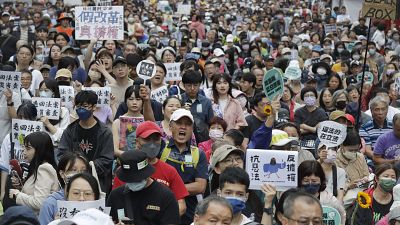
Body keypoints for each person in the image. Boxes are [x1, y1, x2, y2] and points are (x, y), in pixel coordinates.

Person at [112, 121, 189, 216]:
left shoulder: (169, 171)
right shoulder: (125, 171)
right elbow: (116, 203)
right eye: (147, 139)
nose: (152, 144)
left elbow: (181, 205)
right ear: (137, 142)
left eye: (156, 139)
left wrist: (162, 220)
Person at [58, 90, 114, 193]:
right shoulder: (70, 130)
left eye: (84, 106)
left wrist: (86, 167)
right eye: (78, 106)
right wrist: (74, 167)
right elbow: (62, 154)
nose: (81, 109)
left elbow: (107, 160)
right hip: (73, 181)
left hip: (97, 183)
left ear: (93, 107)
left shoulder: (105, 132)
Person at [160, 108, 208, 224]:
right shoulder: (160, 148)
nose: (183, 127)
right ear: (171, 126)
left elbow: (200, 187)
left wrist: (168, 188)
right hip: (162, 208)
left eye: (187, 124)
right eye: (179, 123)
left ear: (192, 130)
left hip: (190, 213)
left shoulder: (199, 154)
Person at [107, 150, 180, 224]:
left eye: (137, 179)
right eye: (130, 179)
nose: (133, 182)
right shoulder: (115, 196)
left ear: (147, 174)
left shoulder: (165, 197)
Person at [8, 132, 59, 211]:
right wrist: (21, 187)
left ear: (40, 150)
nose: (24, 152)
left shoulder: (44, 168)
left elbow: (39, 202)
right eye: (24, 148)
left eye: (28, 148)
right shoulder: (38, 167)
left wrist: (17, 195)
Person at [38, 152, 90, 225]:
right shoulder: (51, 204)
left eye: (84, 171)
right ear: (62, 174)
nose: (79, 175)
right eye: (74, 170)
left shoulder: (92, 198)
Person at [179, 69, 214, 143]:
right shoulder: (178, 100)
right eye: (189, 85)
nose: (192, 88)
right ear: (183, 85)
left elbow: (211, 123)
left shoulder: (206, 102)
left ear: (199, 85)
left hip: (202, 141)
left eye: (195, 85)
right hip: (182, 139)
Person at [112, 85, 144, 156]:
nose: (134, 102)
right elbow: (115, 150)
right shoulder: (117, 122)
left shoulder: (147, 121)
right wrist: (132, 156)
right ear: (125, 101)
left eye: (138, 99)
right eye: (131, 99)